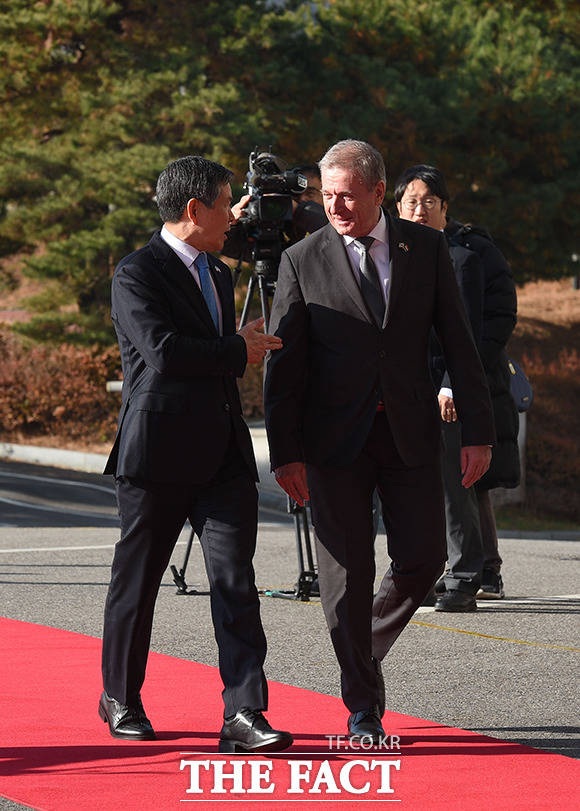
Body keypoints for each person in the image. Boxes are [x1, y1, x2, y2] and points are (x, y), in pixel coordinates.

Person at [263, 140, 495, 742]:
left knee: (424, 559)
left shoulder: (427, 249)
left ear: (377, 191)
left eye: (346, 195)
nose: (334, 207)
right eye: (326, 195)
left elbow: (460, 343)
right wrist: (285, 452)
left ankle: (358, 649)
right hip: (331, 442)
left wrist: (478, 433)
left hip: (409, 433)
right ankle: (363, 707)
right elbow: (283, 367)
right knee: (346, 576)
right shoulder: (301, 259)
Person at [100, 155, 293, 753]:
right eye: (226, 204)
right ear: (193, 209)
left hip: (223, 454)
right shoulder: (136, 273)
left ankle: (244, 712)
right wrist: (238, 349)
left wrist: (237, 346)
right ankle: (120, 696)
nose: (233, 216)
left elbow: (213, 354)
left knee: (235, 581)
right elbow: (164, 353)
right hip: (156, 453)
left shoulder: (217, 270)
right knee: (138, 582)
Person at [394, 165, 519, 610]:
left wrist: (451, 384)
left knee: (456, 482)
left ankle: (467, 575)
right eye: (411, 202)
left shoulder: (467, 255)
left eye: (429, 201)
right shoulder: (392, 253)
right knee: (420, 482)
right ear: (396, 207)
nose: (420, 210)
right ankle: (437, 570)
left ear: (445, 207)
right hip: (410, 387)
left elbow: (473, 331)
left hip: (459, 386)